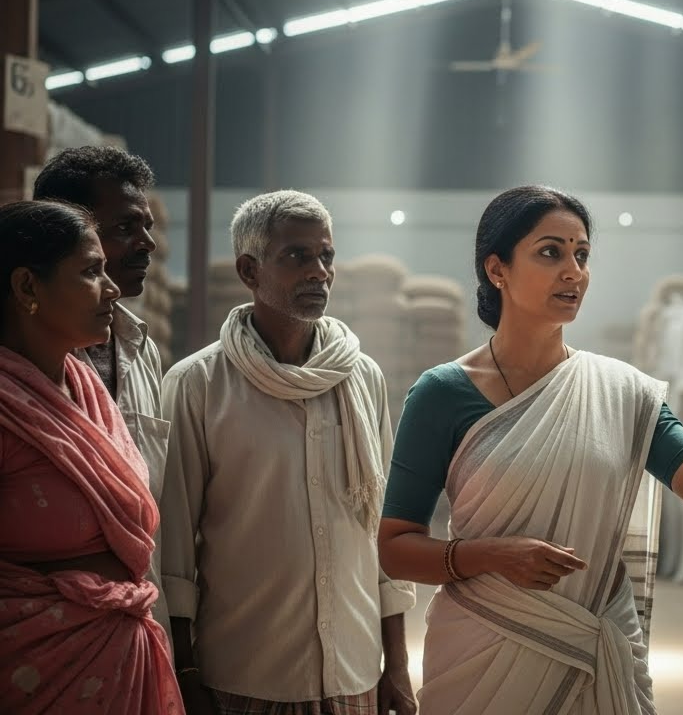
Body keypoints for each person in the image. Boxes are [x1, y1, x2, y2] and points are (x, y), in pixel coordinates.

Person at [376, 185, 683, 714]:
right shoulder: (442, 393)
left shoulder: (621, 391)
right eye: (551, 252)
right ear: (497, 269)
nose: (574, 271)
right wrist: (493, 555)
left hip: (598, 651)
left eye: (582, 254)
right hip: (483, 654)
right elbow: (395, 546)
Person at [160, 191, 417, 714]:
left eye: (326, 256)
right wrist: (184, 675)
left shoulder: (360, 376)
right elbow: (174, 556)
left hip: (354, 673)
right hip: (244, 677)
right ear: (250, 270)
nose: (319, 271)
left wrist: (397, 663)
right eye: (297, 256)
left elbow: (382, 532)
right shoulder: (197, 385)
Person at [0, 200, 181, 713]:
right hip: (31, 674)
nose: (112, 289)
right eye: (90, 271)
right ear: (27, 288)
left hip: (120, 669)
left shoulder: (85, 389)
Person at [33, 146, 172, 648]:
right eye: (124, 229)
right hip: (45, 652)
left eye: (148, 226)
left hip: (138, 637)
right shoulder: (22, 378)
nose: (147, 244)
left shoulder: (140, 353)